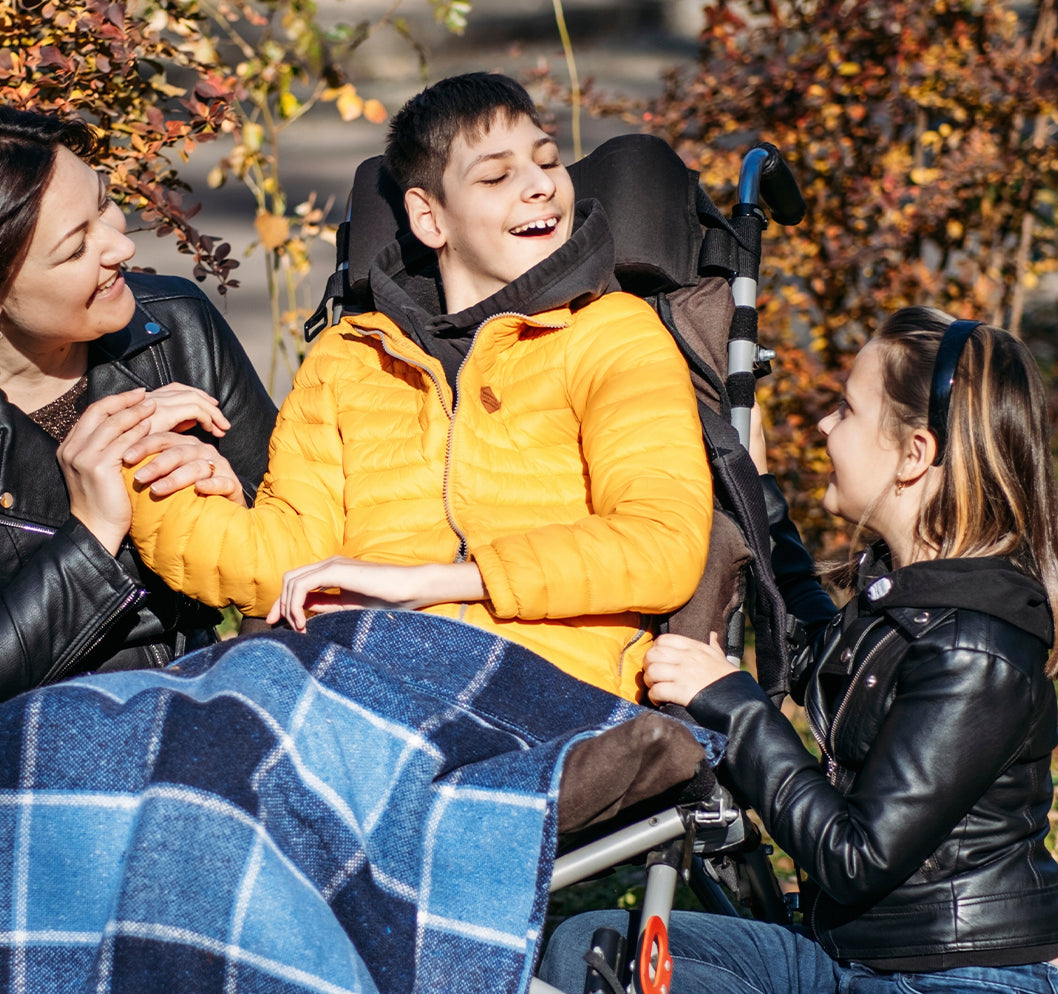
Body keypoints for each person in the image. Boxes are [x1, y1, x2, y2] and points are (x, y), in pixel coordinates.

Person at [0, 106, 276, 994]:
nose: (119, 244)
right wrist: (92, 537)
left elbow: (299, 549)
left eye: (106, 207)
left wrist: (236, 502)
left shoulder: (172, 326)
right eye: (77, 245)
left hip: (160, 716)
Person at [541, 307, 1058, 994]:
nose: (826, 426)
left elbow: (854, 857)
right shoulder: (908, 592)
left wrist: (732, 705)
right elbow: (819, 657)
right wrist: (760, 500)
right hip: (847, 963)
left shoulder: (976, 645)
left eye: (846, 410)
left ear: (914, 456)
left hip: (954, 979)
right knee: (593, 946)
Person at [120, 72, 714, 701]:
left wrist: (432, 582)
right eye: (496, 176)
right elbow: (284, 563)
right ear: (430, 218)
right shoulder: (349, 358)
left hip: (544, 683)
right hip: (357, 675)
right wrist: (146, 471)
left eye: (547, 161)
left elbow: (660, 546)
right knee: (90, 735)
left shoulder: (614, 334)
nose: (541, 185)